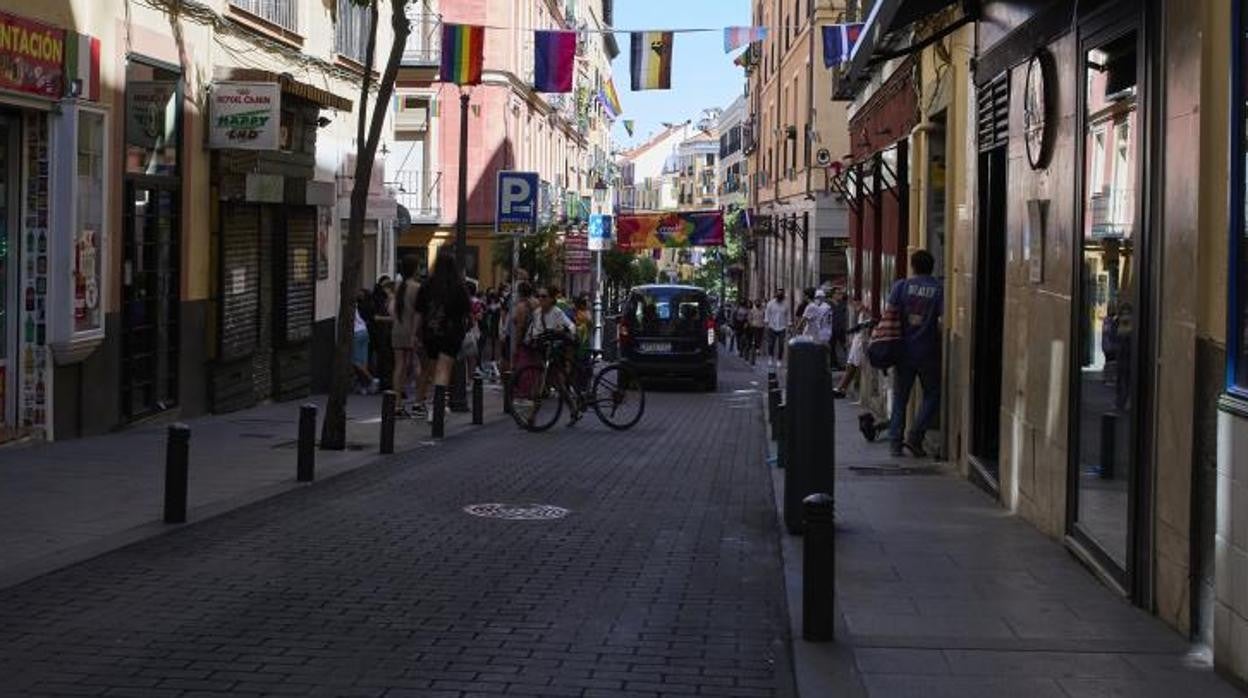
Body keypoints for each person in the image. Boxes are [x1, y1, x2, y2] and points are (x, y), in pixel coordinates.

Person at [886, 249, 943, 457]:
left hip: (903, 351)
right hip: (927, 351)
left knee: (901, 397)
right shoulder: (938, 289)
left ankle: (894, 442)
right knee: (933, 395)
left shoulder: (901, 287)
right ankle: (915, 436)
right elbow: (942, 321)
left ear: (913, 266)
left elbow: (890, 314)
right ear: (932, 267)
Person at [414, 249, 473, 423]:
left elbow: (418, 313)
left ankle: (438, 402)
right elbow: (467, 313)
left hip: (431, 332)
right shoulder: (459, 287)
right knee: (444, 369)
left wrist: (415, 334)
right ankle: (437, 406)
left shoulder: (427, 285)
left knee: (434, 369)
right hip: (451, 333)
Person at [390, 256, 422, 417]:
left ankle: (397, 404)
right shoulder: (416, 287)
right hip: (409, 330)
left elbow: (392, 309)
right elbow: (417, 314)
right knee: (414, 365)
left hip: (397, 328)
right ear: (414, 269)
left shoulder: (398, 287)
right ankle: (418, 400)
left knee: (399, 366)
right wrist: (415, 334)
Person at [833, 296, 873, 399]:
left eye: (856, 304)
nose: (855, 306)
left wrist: (850, 331)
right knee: (851, 364)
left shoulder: (866, 313)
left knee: (853, 365)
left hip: (861, 341)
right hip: (857, 340)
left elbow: (864, 325)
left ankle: (842, 387)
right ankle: (842, 387)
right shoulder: (861, 314)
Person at [370, 276, 395, 391]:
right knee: (387, 359)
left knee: (386, 359)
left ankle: (386, 382)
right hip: (385, 333)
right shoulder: (383, 299)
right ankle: (387, 383)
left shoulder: (388, 299)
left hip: (384, 333)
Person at [352, 290, 379, 394]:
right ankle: (364, 386)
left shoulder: (351, 307)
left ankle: (372, 380)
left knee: (355, 361)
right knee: (363, 361)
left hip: (356, 333)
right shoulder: (364, 306)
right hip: (364, 331)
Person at [764, 289, 789, 366]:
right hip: (772, 326)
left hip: (782, 327)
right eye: (778, 293)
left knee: (781, 345)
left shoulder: (786, 304)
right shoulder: (770, 303)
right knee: (771, 344)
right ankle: (770, 358)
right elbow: (767, 313)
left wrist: (789, 324)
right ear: (776, 294)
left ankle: (779, 359)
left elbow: (788, 315)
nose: (779, 295)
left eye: (781, 294)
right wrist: (767, 322)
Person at [829, 286, 848, 369]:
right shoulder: (828, 304)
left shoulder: (842, 304)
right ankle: (834, 364)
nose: (840, 295)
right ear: (833, 295)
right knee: (832, 347)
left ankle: (846, 363)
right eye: (838, 294)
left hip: (841, 328)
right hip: (832, 328)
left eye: (841, 294)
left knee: (845, 345)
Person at [747, 299, 766, 364]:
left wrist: (765, 323)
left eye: (758, 302)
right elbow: (750, 318)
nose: (757, 304)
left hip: (761, 326)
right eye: (756, 302)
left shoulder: (763, 310)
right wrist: (751, 323)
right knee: (756, 337)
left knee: (760, 338)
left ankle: (758, 348)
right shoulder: (753, 310)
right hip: (754, 326)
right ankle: (756, 349)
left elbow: (765, 317)